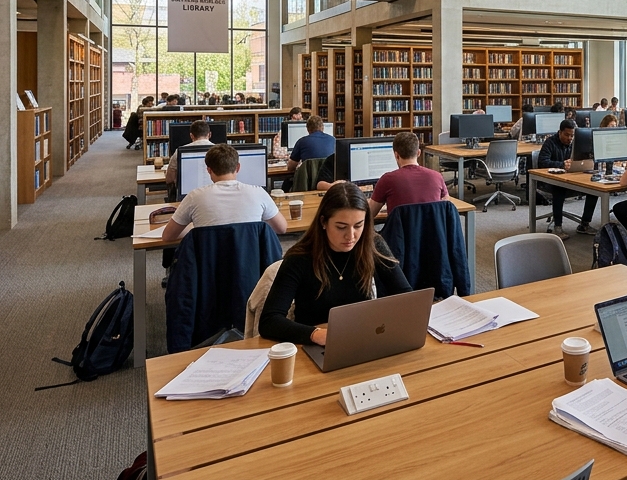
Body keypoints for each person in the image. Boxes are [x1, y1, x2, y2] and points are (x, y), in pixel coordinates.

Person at [257, 182, 412, 346]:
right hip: (314, 344)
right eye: (341, 227)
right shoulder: (299, 258)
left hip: (362, 338)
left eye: (358, 225)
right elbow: (269, 321)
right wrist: (316, 335)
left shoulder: (372, 245)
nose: (351, 236)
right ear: (323, 222)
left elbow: (406, 296)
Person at [163, 144, 289, 241]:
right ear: (238, 167)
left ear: (208, 170)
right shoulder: (259, 193)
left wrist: (196, 227)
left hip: (208, 270)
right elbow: (282, 228)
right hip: (250, 270)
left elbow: (167, 236)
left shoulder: (194, 197)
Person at [537, 119, 598, 239]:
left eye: (572, 135)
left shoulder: (577, 143)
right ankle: (558, 226)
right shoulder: (550, 142)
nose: (570, 138)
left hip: (573, 178)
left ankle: (584, 224)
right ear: (560, 132)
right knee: (559, 189)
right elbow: (542, 162)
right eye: (567, 135)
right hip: (551, 181)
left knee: (595, 190)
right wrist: (562, 164)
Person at [367, 132, 448, 220]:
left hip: (399, 233)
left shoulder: (387, 180)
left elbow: (370, 214)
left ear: (396, 155)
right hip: (432, 233)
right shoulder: (437, 176)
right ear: (418, 153)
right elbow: (446, 208)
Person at [166, 120, 215, 195]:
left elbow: (169, 179)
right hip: (213, 194)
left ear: (191, 136)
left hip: (187, 195)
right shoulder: (220, 151)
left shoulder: (179, 151)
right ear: (209, 134)